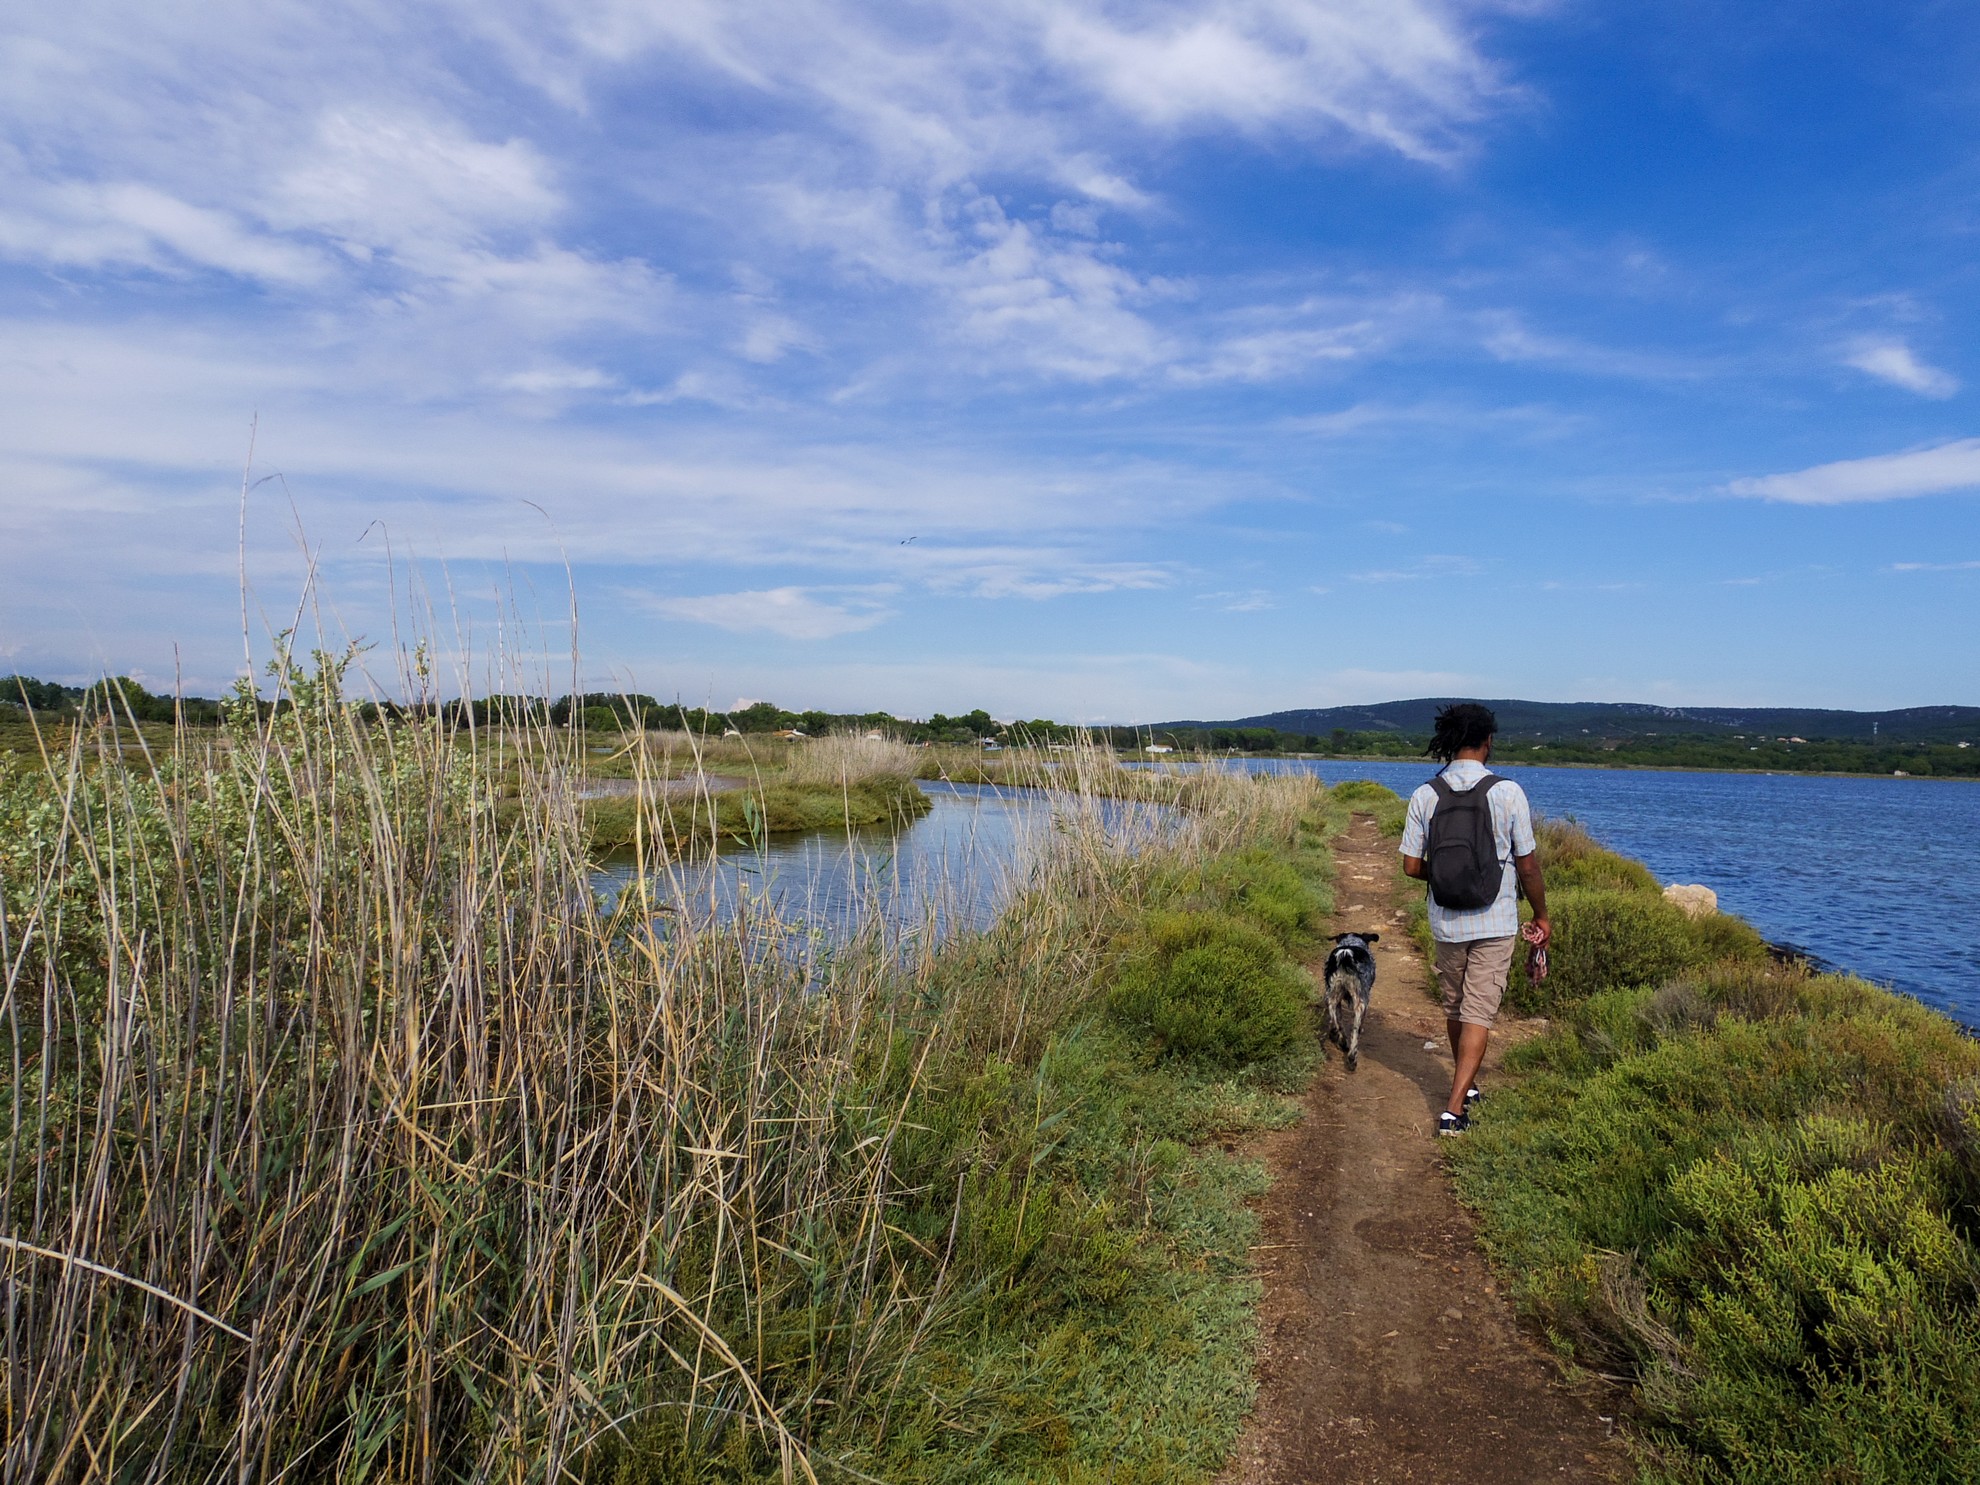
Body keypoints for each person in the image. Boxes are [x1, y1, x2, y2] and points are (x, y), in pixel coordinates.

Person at [1398, 703, 1550, 1137]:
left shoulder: (1425, 794)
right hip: (1495, 919)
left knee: (1457, 1007)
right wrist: (1541, 915)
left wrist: (1443, 874)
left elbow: (1410, 866)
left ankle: (1467, 1086)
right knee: (1479, 1012)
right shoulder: (1508, 792)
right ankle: (1453, 1110)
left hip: (1446, 922)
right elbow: (1528, 867)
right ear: (1488, 742)